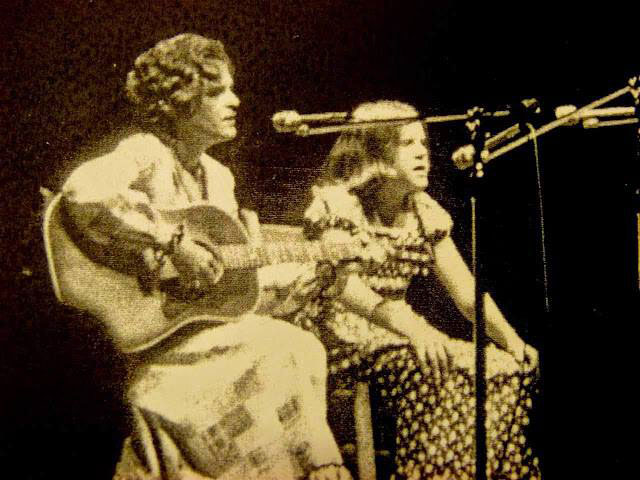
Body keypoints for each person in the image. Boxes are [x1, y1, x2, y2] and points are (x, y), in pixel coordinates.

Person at [60, 34, 351, 480]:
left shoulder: (220, 178)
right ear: (181, 100)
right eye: (217, 92)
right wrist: (172, 242)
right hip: (149, 341)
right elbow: (83, 190)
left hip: (199, 334)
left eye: (231, 89)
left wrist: (310, 269)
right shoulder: (146, 154)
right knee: (287, 348)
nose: (235, 101)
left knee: (299, 344)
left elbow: (228, 285)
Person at [277, 100, 541, 479]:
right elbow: (346, 287)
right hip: (342, 336)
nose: (423, 154)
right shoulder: (339, 204)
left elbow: (467, 293)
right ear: (376, 154)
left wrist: (511, 340)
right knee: (449, 372)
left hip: (400, 336)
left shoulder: (423, 211)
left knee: (505, 369)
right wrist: (414, 329)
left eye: (423, 143)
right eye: (407, 144)